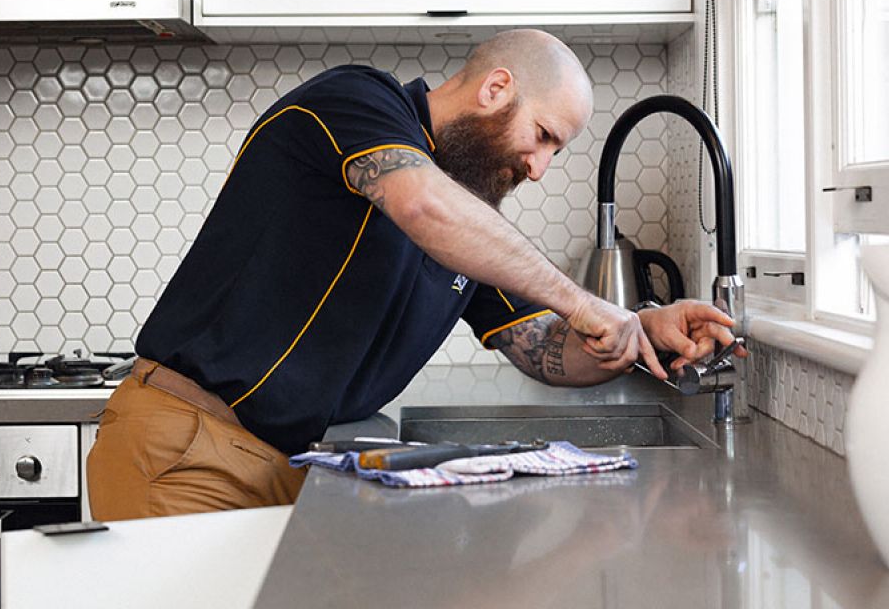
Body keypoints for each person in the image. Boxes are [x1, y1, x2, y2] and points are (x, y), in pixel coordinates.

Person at [86, 29, 739, 520]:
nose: (539, 167)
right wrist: (582, 300)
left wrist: (641, 333)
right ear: (495, 89)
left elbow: (543, 352)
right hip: (190, 447)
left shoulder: (467, 224)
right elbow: (422, 204)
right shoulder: (355, 101)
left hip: (299, 465)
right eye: (541, 136)